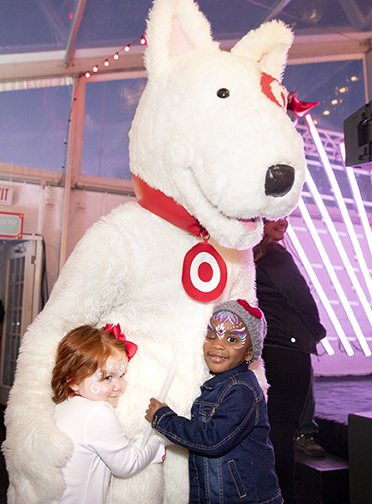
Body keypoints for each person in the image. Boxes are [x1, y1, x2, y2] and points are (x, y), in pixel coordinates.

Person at [145, 299, 283, 504]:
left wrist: (163, 418)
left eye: (232, 340)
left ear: (250, 354)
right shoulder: (219, 385)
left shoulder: (242, 390)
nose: (218, 344)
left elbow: (212, 440)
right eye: (211, 336)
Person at [253, 217, 326, 504]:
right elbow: (302, 298)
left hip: (265, 350)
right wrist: (317, 331)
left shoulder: (249, 256)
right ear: (259, 217)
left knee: (271, 428)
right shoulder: (276, 255)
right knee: (283, 430)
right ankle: (285, 496)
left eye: (286, 213)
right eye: (275, 214)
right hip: (289, 349)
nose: (283, 220)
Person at [51, 323, 165, 504]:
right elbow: (127, 464)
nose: (119, 386)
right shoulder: (97, 412)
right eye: (107, 377)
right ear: (73, 380)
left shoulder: (61, 407)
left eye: (122, 375)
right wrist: (156, 443)